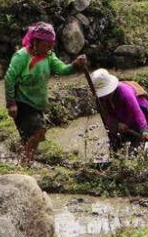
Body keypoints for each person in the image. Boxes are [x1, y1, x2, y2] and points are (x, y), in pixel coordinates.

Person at [5, 22, 87, 165]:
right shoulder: (21, 56)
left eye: (51, 44)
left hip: (38, 103)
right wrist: (11, 104)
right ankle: (26, 162)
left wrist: (74, 65)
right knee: (39, 131)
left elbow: (62, 70)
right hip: (22, 102)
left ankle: (24, 162)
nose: (49, 48)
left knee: (32, 136)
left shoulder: (49, 56)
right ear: (35, 42)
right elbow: (9, 79)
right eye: (46, 44)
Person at [91, 69, 148, 153]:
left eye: (107, 93)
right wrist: (117, 123)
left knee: (136, 143)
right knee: (118, 141)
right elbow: (107, 114)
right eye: (103, 94)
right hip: (120, 112)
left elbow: (136, 112)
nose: (105, 96)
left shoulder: (124, 91)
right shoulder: (100, 99)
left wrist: (144, 131)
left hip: (138, 110)